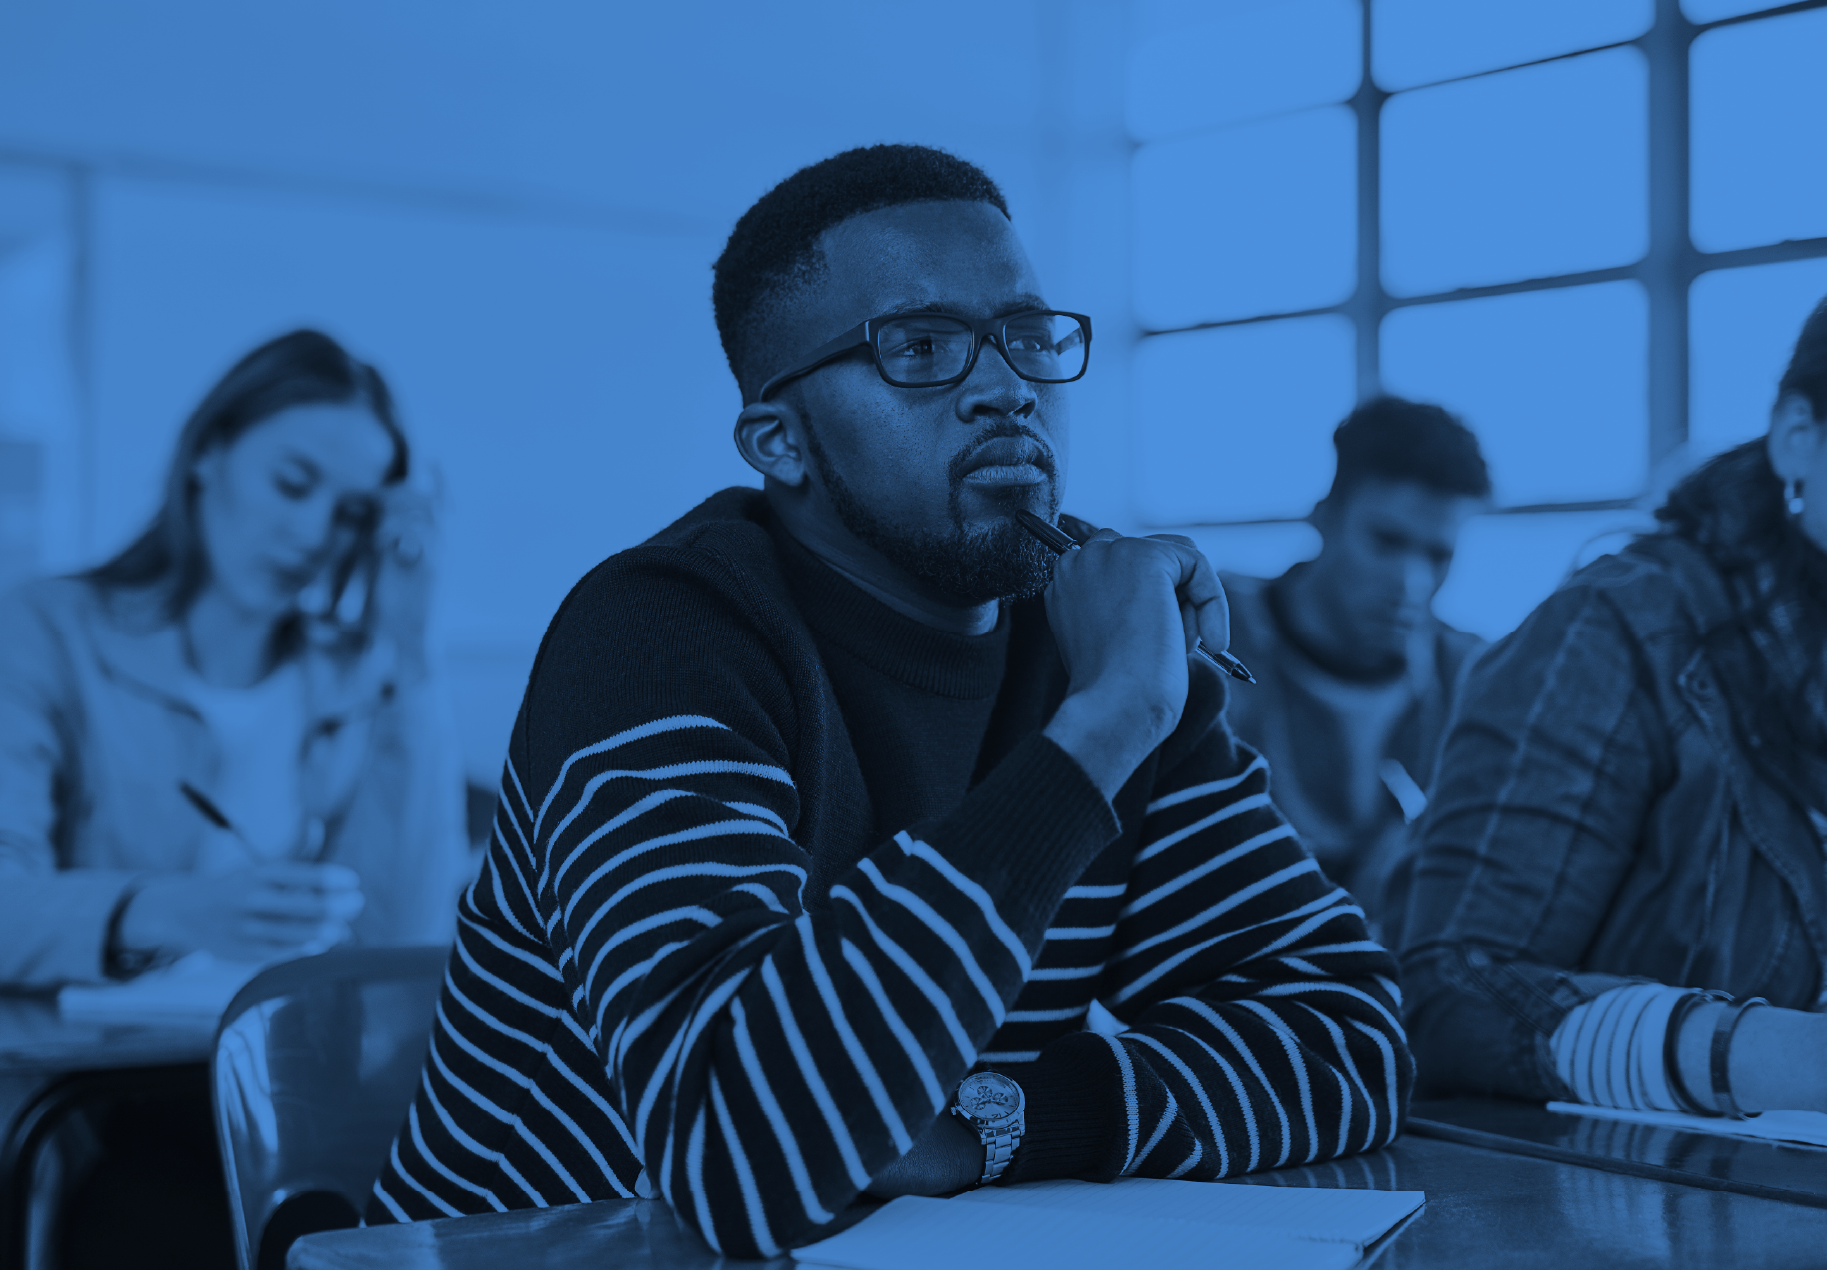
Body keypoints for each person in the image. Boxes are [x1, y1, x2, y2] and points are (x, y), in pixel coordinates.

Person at [367, 145, 1412, 1258]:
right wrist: (1101, 731)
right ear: (781, 442)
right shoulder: (658, 635)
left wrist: (986, 1129)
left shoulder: (1093, 639)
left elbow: (1344, 1036)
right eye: (921, 347)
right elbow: (741, 1157)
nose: (1009, 387)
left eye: (1027, 336)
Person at [1397, 298, 1827, 1119]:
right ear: (1796, 436)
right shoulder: (1619, 630)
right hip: (1629, 1216)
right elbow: (1448, 998)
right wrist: (1768, 1056)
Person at [0, 328, 472, 989]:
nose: (311, 534)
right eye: (291, 483)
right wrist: (169, 910)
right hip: (90, 1082)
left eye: (351, 514)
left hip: (279, 1077)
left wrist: (415, 651)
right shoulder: (45, 631)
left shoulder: (357, 678)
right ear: (208, 455)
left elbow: (405, 941)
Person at [1221, 397, 1490, 923]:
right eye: (1386, 542)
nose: (1411, 584)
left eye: (1438, 555)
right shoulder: (1216, 633)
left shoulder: (1469, 676)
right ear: (1324, 517)